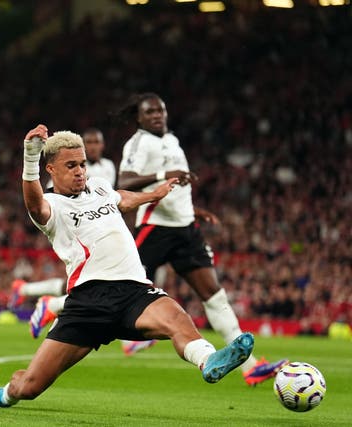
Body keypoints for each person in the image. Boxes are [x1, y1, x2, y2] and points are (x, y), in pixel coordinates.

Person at [0, 125, 254, 409]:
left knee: (176, 317)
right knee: (30, 387)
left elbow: (121, 198)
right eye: (71, 165)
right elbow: (34, 203)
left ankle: (208, 360)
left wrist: (153, 195)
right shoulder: (51, 205)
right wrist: (30, 157)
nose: (80, 171)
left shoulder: (99, 187)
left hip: (133, 292)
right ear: (50, 169)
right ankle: (6, 394)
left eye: (83, 164)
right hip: (88, 303)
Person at [115, 92, 287, 386]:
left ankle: (249, 366)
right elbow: (125, 182)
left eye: (161, 110)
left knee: (213, 292)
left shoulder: (172, 140)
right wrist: (163, 172)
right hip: (156, 228)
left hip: (185, 229)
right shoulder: (138, 143)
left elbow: (177, 189)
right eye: (150, 112)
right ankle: (55, 306)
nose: (157, 115)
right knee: (114, 283)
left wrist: (195, 211)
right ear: (139, 117)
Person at [9, 128, 156, 355]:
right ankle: (49, 302)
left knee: (115, 279)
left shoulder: (106, 168)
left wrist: (152, 195)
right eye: (90, 142)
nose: (79, 170)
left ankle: (46, 301)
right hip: (77, 227)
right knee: (92, 283)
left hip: (105, 222)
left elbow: (114, 196)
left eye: (97, 142)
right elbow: (46, 203)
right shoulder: (63, 171)